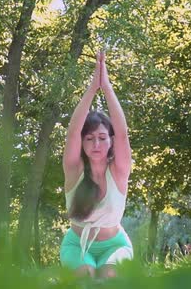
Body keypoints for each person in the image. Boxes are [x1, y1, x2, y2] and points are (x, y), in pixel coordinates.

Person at [59, 50, 133, 279]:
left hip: (115, 246)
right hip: (77, 246)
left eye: (102, 137)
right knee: (86, 275)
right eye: (89, 138)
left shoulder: (118, 171)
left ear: (110, 142)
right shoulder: (74, 170)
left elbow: (122, 133)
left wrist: (107, 88)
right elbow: (72, 132)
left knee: (109, 276)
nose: (96, 144)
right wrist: (92, 89)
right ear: (82, 143)